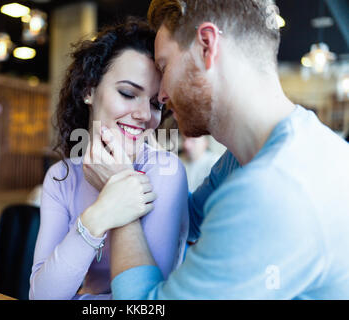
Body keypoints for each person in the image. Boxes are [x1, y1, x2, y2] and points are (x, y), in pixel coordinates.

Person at [83, 0, 349, 299]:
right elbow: (187, 220)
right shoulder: (246, 156)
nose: (161, 94)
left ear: (207, 46)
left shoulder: (277, 186)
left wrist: (121, 201)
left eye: (164, 65)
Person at [29, 18, 189, 300]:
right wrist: (99, 215)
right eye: (128, 93)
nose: (144, 114)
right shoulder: (61, 177)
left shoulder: (165, 172)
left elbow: (148, 302)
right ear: (89, 90)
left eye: (155, 104)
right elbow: (42, 296)